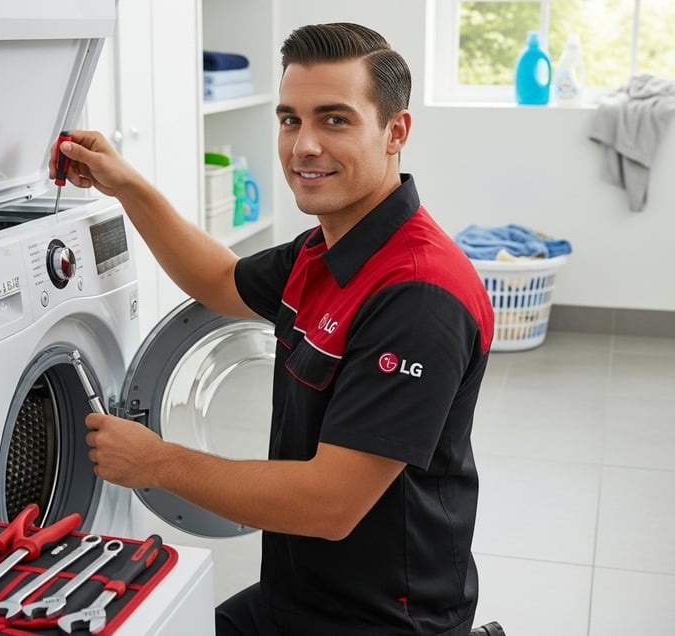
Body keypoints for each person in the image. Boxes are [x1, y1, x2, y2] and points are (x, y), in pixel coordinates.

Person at [51, 22, 494, 636]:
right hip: (299, 593)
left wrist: (156, 462)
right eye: (291, 120)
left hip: (382, 620)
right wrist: (125, 185)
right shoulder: (325, 249)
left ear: (396, 132)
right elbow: (219, 280)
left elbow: (330, 503)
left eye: (334, 120)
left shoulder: (417, 295)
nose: (304, 145)